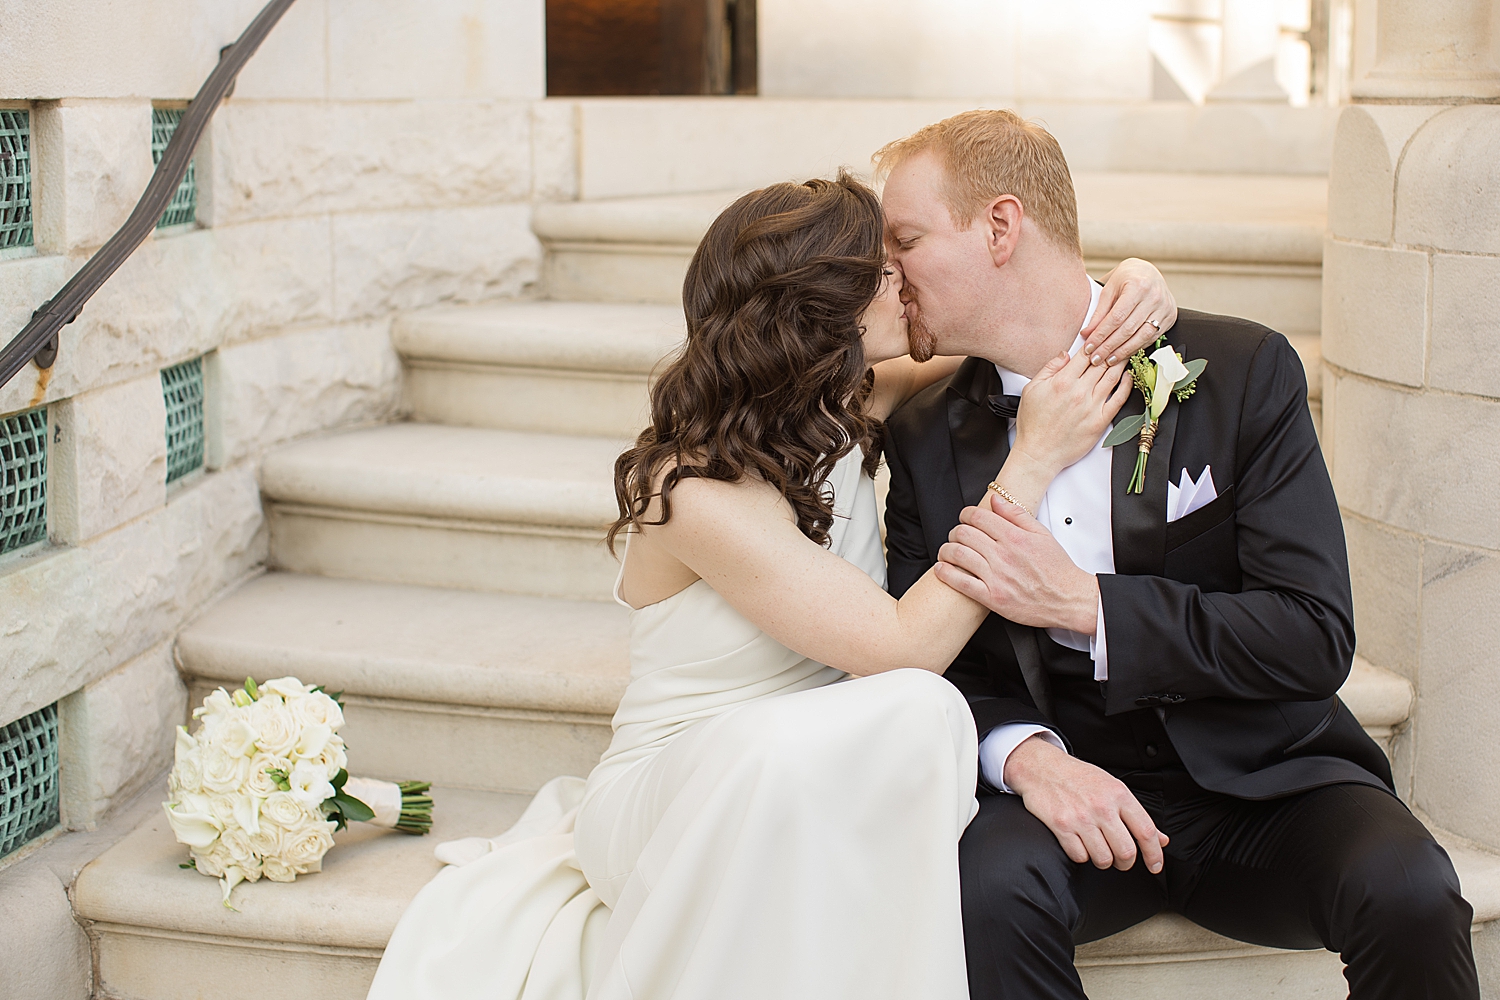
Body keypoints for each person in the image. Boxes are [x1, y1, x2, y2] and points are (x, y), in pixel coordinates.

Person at [367, 174, 1177, 1000]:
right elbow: (907, 647)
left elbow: (1026, 328)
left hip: (819, 766)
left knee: (896, 726)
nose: (909, 281)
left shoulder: (852, 403)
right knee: (922, 706)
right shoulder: (687, 489)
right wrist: (1030, 463)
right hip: (679, 794)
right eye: (885, 269)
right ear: (826, 309)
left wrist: (1125, 284)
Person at [878, 109, 1481, 1000]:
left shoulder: (1239, 370)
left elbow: (1312, 634)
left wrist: (1088, 606)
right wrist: (1029, 758)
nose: (888, 274)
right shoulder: (923, 436)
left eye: (907, 241)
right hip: (1069, 791)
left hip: (1269, 783)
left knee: (1411, 889)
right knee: (983, 890)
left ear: (1000, 227)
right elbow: (928, 670)